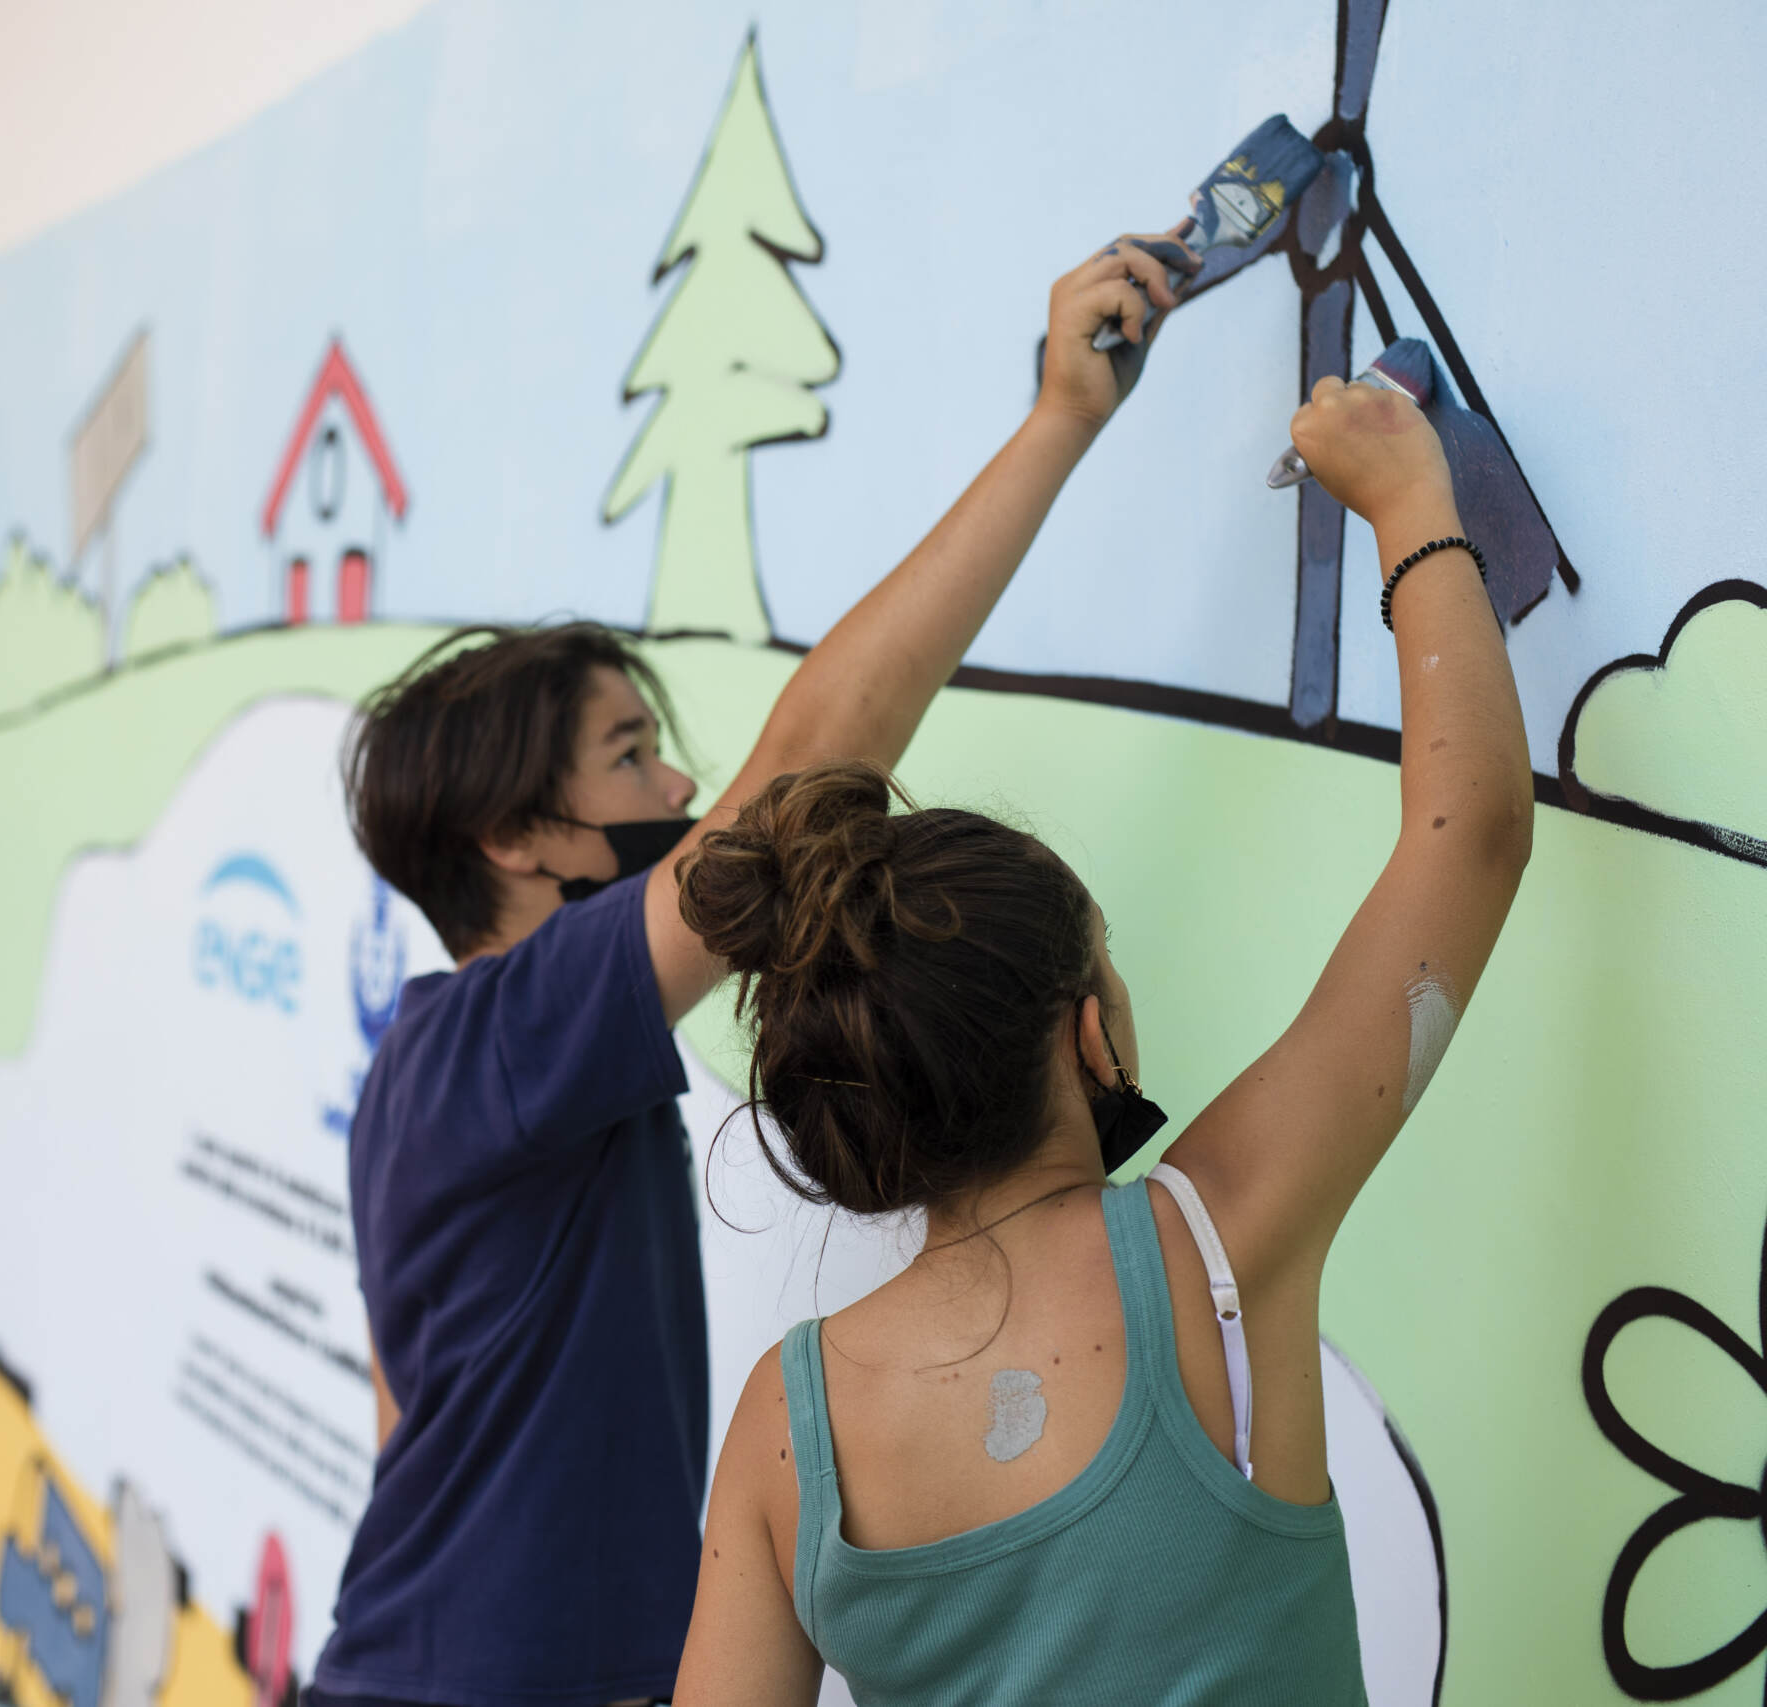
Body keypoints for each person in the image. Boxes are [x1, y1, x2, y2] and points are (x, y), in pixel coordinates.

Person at [307, 231, 1199, 1706]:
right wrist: (1060, 419)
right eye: (629, 754)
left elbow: (409, 1404)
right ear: (524, 837)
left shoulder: (440, 1068)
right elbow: (794, 784)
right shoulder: (500, 1037)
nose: (679, 777)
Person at [667, 387, 1530, 1700]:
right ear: (1089, 1033)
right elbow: (1471, 833)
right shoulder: (1218, 1241)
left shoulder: (788, 1431)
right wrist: (1410, 495)